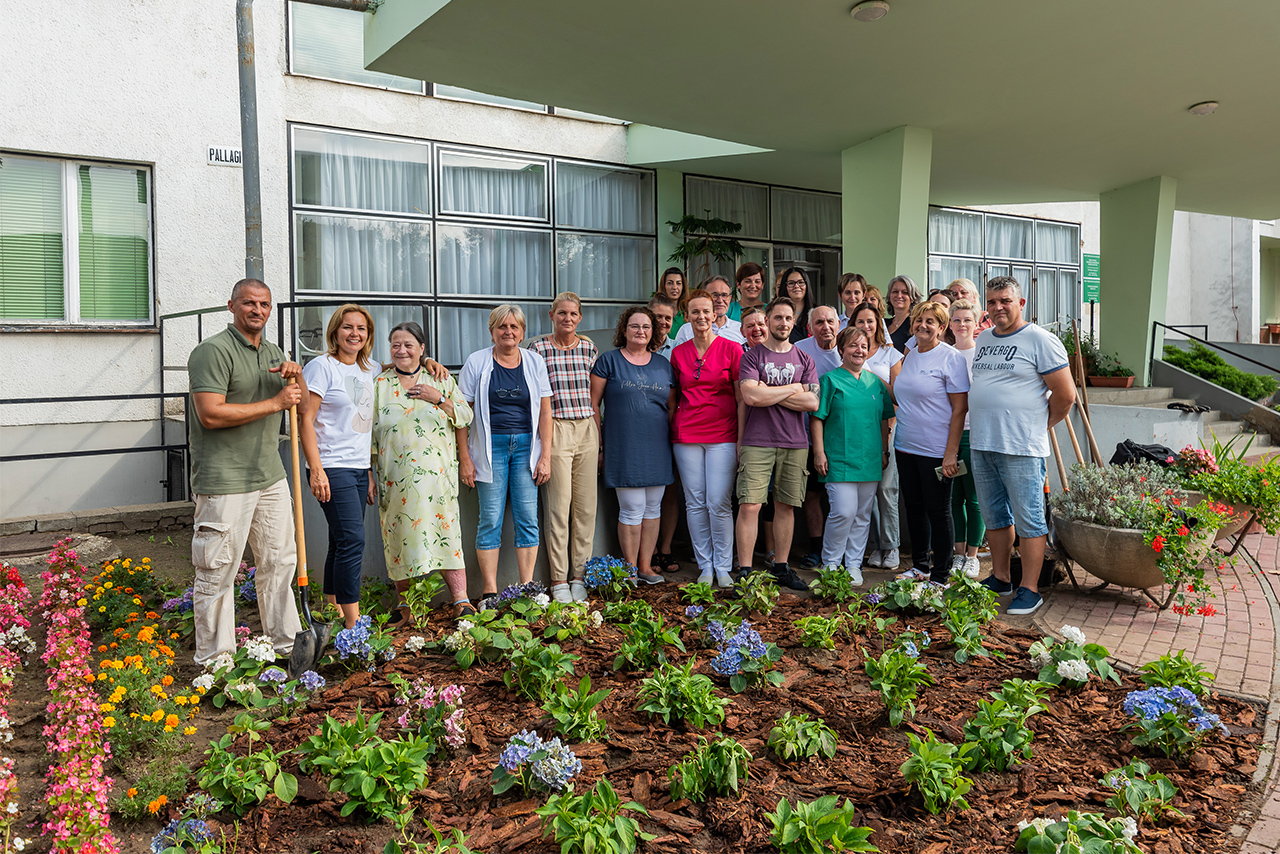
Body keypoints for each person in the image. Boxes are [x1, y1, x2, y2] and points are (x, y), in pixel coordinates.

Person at [187, 278, 304, 665]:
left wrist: (295, 376)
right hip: (225, 481)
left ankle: (286, 647)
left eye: (265, 304)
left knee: (279, 562)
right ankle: (216, 663)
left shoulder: (272, 352)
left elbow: (299, 405)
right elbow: (211, 413)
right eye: (249, 303)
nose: (258, 310)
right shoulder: (212, 352)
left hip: (269, 475)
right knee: (218, 570)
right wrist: (275, 401)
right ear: (232, 305)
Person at [971, 276, 1075, 616]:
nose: (998, 307)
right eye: (992, 302)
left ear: (1021, 304)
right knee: (995, 516)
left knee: (1030, 519)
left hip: (1022, 447)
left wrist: (1040, 424)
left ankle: (1029, 588)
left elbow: (1066, 394)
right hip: (983, 442)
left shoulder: (1040, 340)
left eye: (1005, 301)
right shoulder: (984, 338)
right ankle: (1000, 578)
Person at [372, 321, 475, 623]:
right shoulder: (380, 384)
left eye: (408, 345)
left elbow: (465, 416)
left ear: (422, 349)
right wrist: (368, 472)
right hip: (395, 478)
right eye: (396, 344)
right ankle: (406, 607)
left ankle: (462, 600)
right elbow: (368, 433)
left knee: (445, 533)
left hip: (437, 477)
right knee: (399, 535)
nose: (402, 350)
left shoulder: (440, 378)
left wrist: (439, 399)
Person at [458, 305, 554, 604]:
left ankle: (527, 588)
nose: (508, 332)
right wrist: (465, 458)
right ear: (492, 330)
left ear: (522, 332)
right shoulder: (477, 362)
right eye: (502, 327)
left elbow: (545, 412)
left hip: (526, 448)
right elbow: (462, 413)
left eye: (514, 327)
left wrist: (545, 456)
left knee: (528, 518)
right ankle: (489, 591)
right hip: (490, 449)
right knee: (490, 519)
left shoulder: (535, 362)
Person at [299, 304, 379, 630]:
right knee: (353, 542)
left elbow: (398, 366)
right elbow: (306, 418)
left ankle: (332, 610)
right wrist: (315, 469)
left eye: (361, 328)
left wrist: (427, 361)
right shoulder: (321, 367)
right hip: (331, 466)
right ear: (335, 331)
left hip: (359, 468)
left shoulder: (368, 368)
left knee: (340, 539)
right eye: (348, 327)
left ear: (368, 335)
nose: (354, 334)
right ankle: (353, 624)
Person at [735, 296, 819, 591]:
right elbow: (751, 398)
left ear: (794, 322)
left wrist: (769, 390)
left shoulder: (804, 359)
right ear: (767, 321)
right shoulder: (752, 357)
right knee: (750, 506)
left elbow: (811, 401)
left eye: (788, 318)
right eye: (777, 318)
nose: (783, 323)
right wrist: (793, 388)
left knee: (786, 505)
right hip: (757, 441)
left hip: (795, 443)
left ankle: (781, 567)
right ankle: (745, 572)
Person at [591, 306, 674, 585]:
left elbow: (672, 407)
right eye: (635, 326)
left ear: (653, 332)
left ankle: (646, 567)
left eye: (646, 327)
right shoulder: (608, 361)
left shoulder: (664, 365)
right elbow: (593, 404)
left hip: (657, 445)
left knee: (654, 507)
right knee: (632, 507)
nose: (641, 331)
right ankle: (628, 569)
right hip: (623, 445)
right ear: (624, 330)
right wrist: (599, 447)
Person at [890, 301, 969, 584]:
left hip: (936, 450)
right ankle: (920, 566)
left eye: (930, 321)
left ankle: (940, 575)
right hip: (906, 446)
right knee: (914, 507)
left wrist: (951, 453)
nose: (923, 325)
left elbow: (960, 409)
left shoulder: (951, 358)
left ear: (942, 327)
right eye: (918, 320)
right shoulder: (910, 355)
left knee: (938, 511)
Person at [529, 293, 601, 603]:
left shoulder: (588, 348)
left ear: (580, 317)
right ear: (551, 315)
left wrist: (600, 441)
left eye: (573, 313)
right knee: (558, 509)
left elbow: (596, 396)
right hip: (555, 427)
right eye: (561, 313)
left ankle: (578, 577)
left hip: (586, 427)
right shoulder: (538, 349)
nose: (567, 318)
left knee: (585, 509)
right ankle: (558, 580)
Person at [670, 289, 743, 587]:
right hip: (686, 434)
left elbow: (741, 398)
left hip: (723, 433)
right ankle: (705, 566)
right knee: (695, 502)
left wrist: (742, 437)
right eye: (695, 312)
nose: (701, 317)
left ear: (716, 315)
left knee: (719, 501)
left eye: (706, 311)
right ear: (687, 317)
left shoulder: (732, 349)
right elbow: (673, 397)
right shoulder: (679, 353)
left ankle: (723, 567)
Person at [812, 327, 894, 585]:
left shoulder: (875, 384)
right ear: (841, 350)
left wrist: (883, 450)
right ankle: (831, 563)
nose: (858, 350)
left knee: (862, 515)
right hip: (838, 457)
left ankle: (854, 565)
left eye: (863, 346)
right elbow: (817, 418)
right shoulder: (830, 380)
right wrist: (819, 452)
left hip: (870, 458)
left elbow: (884, 419)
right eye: (852, 346)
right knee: (843, 512)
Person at [854, 302, 904, 570]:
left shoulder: (891, 354)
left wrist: (871, 375)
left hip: (887, 428)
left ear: (878, 324)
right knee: (867, 492)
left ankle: (892, 545)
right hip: (858, 433)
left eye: (870, 321)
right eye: (860, 322)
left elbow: (897, 397)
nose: (865, 327)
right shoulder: (850, 352)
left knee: (886, 488)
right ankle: (876, 546)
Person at [793, 305, 842, 568]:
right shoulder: (800, 349)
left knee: (842, 497)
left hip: (841, 437)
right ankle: (816, 549)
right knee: (812, 495)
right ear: (810, 327)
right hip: (807, 437)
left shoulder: (848, 348)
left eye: (830, 321)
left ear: (839, 323)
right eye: (819, 322)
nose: (826, 327)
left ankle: (840, 551)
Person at [946, 301, 984, 580]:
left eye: (967, 320)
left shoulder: (981, 354)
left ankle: (972, 555)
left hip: (973, 433)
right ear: (949, 324)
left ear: (976, 323)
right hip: (946, 435)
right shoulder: (945, 355)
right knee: (953, 497)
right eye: (956, 320)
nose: (961, 325)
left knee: (973, 498)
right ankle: (957, 553)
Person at [647, 294, 682, 573]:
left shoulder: (678, 350)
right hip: (639, 431)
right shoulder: (632, 346)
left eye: (667, 318)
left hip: (669, 426)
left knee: (669, 491)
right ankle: (645, 552)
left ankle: (665, 550)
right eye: (657, 317)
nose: (661, 322)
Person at [672, 276, 745, 346]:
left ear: (730, 298)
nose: (720, 300)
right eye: (714, 295)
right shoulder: (687, 330)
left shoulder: (740, 329)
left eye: (724, 295)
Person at [886, 275, 922, 353]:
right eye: (895, 292)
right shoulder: (884, 324)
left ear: (913, 298)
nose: (899, 296)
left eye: (905, 292)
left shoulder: (915, 325)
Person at [781, 267, 815, 343]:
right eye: (791, 283)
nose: (796, 286)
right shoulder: (776, 312)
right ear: (785, 287)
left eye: (800, 282)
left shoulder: (816, 312)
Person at [655, 267, 689, 336]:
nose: (674, 287)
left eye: (678, 283)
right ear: (663, 285)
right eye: (670, 283)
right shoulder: (656, 311)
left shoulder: (688, 311)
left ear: (683, 287)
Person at [649, 294, 678, 361]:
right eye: (658, 317)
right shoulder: (639, 346)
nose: (663, 322)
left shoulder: (679, 348)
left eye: (668, 318)